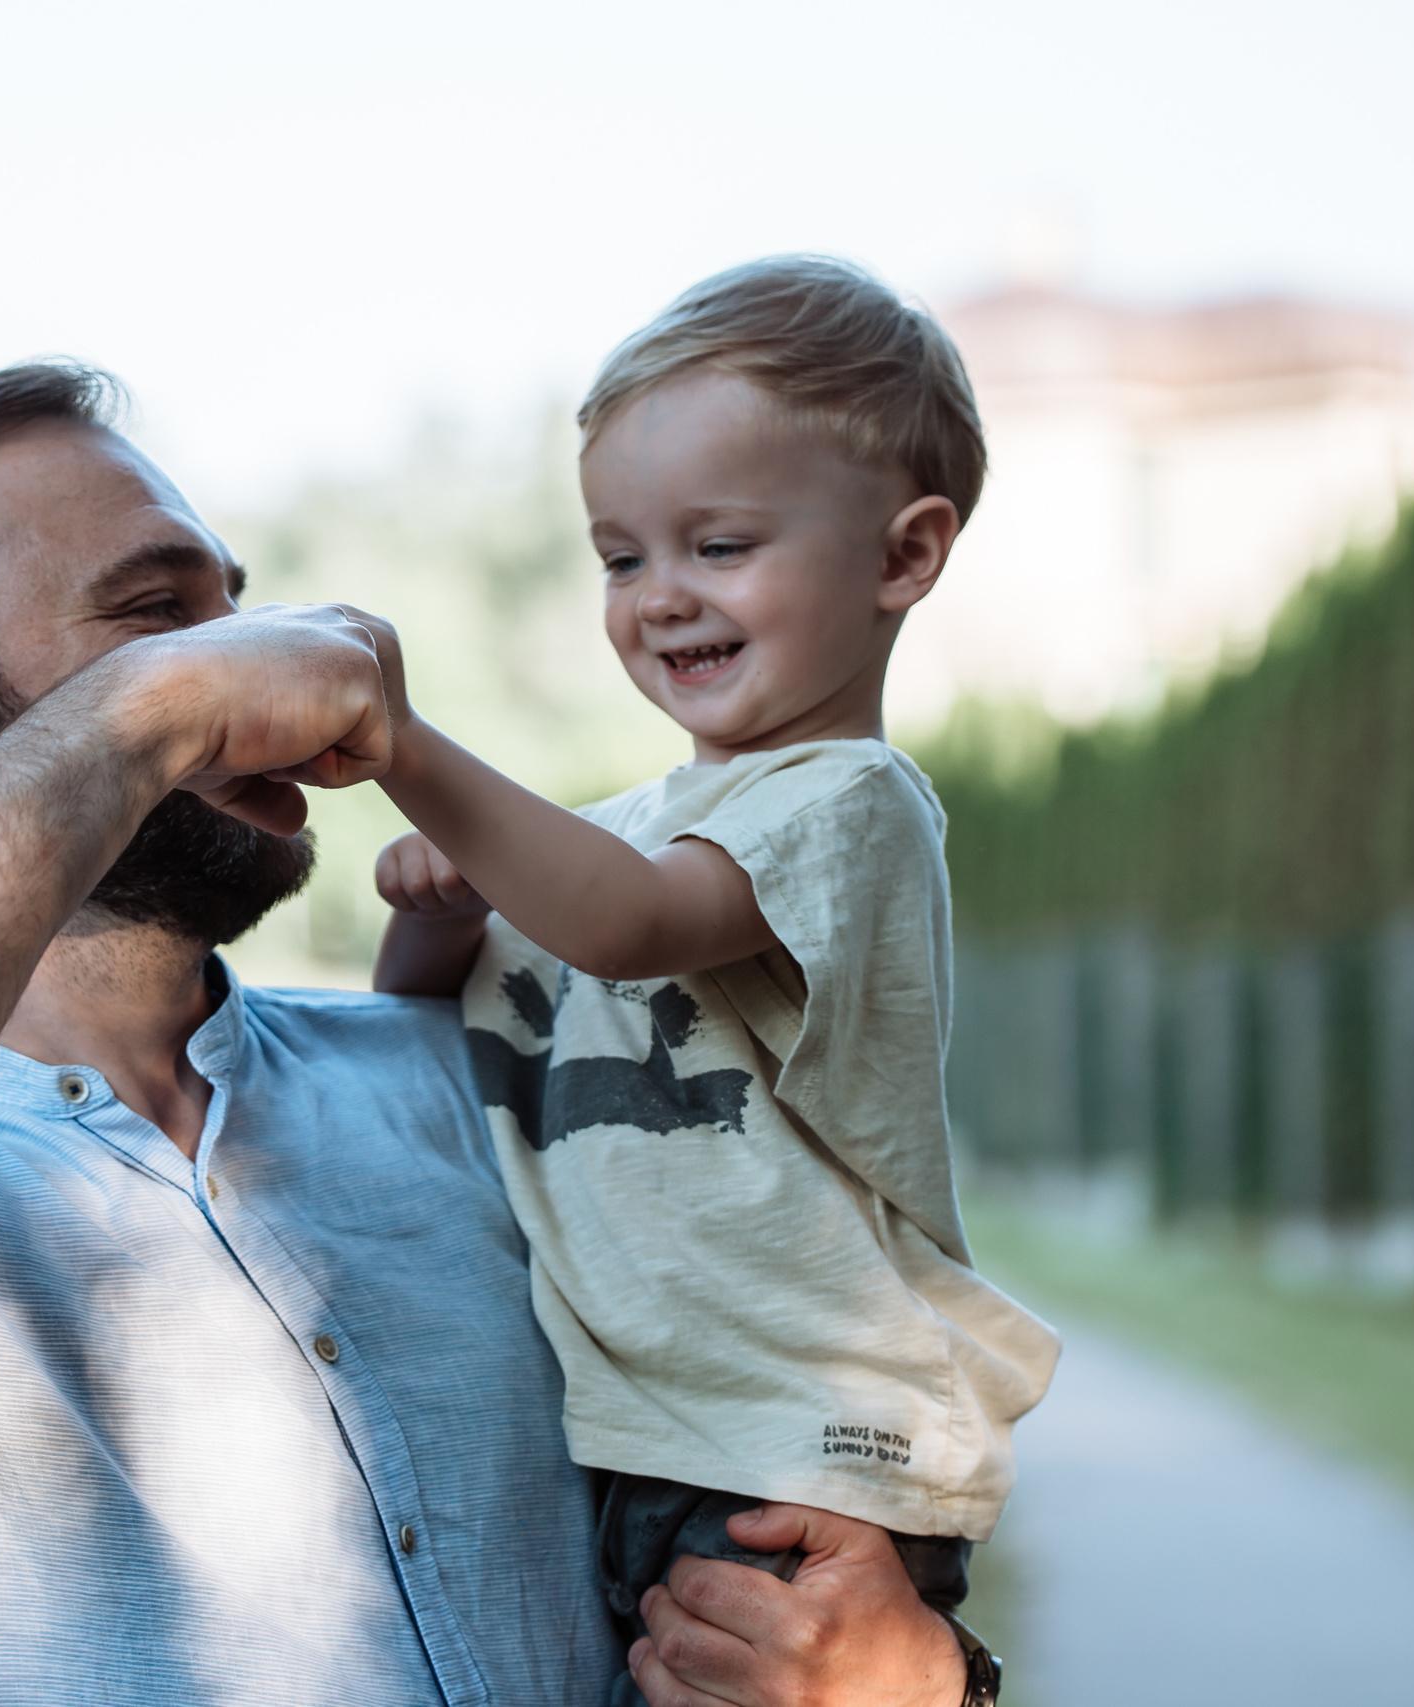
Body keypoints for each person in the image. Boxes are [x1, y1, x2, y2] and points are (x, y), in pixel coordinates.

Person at [0, 361, 976, 1705]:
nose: (253, 651)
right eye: (152, 612)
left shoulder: (459, 1075)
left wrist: (927, 1679)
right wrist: (167, 711)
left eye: (233, 609)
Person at [366, 257, 1062, 1674]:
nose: (659, 598)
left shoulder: (848, 807)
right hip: (650, 1432)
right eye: (622, 557)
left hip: (798, 1449)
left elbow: (625, 926)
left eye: (719, 546)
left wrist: (404, 746)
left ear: (902, 556)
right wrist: (439, 926)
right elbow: (427, 1035)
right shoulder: (622, 835)